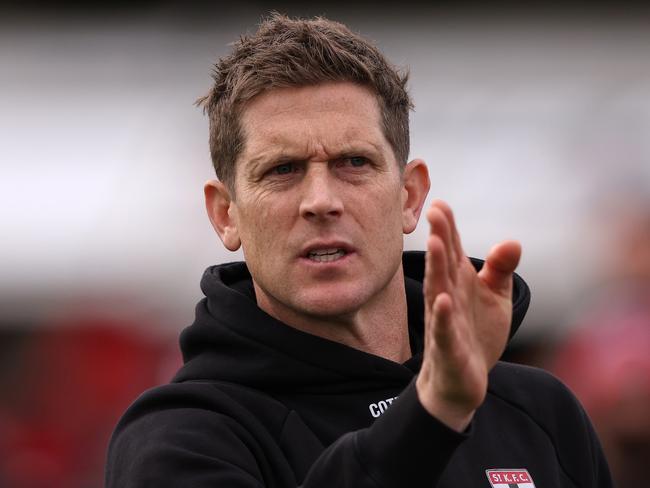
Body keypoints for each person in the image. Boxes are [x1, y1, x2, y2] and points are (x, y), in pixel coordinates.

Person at [105, 13, 612, 487]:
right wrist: (434, 412)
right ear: (225, 214)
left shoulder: (542, 412)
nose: (321, 201)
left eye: (353, 162)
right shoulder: (182, 438)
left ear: (409, 196)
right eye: (282, 170)